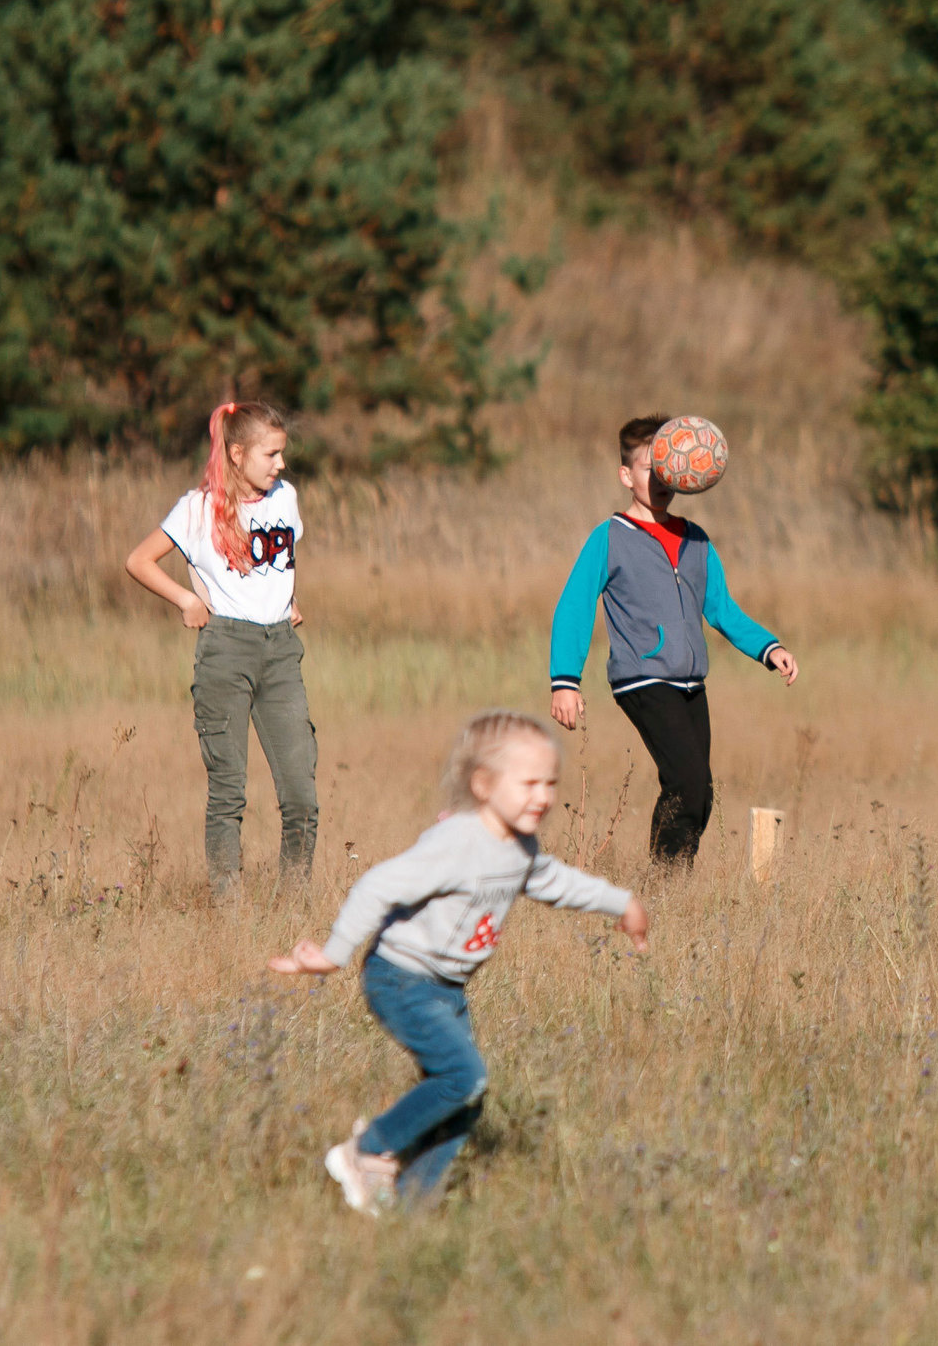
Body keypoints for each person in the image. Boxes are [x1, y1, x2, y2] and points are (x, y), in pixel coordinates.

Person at [270, 710, 648, 1213]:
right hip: (400, 978)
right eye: (530, 782)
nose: (544, 796)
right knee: (462, 1076)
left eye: (550, 783)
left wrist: (622, 903)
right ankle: (366, 1151)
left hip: (446, 988)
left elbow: (557, 883)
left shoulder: (518, 847)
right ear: (484, 784)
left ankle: (410, 1207)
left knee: (465, 1099)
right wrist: (333, 955)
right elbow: (378, 885)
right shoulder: (458, 843)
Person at [547, 414, 798, 863]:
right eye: (650, 469)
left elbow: (721, 608)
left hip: (690, 683)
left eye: (668, 470)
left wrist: (769, 647)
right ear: (626, 475)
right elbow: (574, 606)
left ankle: (674, 883)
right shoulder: (609, 538)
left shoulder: (696, 540)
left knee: (699, 792)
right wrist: (565, 680)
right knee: (685, 779)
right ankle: (664, 884)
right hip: (643, 679)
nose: (662, 479)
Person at [125, 399, 316, 896]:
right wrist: (186, 599)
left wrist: (289, 597)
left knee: (300, 795)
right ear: (236, 454)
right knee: (228, 793)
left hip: (280, 652)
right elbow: (139, 561)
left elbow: (282, 560)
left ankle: (293, 907)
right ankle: (228, 913)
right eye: (271, 454)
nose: (281, 464)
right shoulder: (198, 508)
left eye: (282, 454)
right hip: (226, 651)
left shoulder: (286, 497)